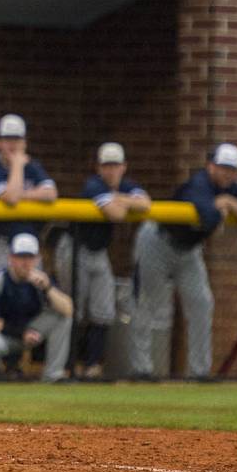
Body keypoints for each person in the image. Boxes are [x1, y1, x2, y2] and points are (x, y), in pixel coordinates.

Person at [130, 143, 237, 381]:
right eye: (223, 168)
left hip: (189, 251)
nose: (227, 173)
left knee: (202, 303)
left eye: (232, 169)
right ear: (210, 166)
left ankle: (199, 371)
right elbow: (209, 217)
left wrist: (229, 202)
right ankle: (142, 368)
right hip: (158, 242)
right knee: (149, 304)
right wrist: (223, 204)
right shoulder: (198, 183)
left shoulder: (231, 190)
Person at [59, 142, 150, 379]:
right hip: (75, 248)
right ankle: (67, 366)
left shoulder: (125, 186)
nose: (111, 171)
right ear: (98, 168)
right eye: (106, 166)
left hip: (98, 252)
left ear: (124, 167)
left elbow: (146, 203)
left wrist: (120, 197)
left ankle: (92, 366)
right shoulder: (94, 185)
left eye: (115, 165)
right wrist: (124, 200)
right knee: (73, 309)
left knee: (104, 309)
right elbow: (117, 214)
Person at [0, 232, 74, 382]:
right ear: (11, 258)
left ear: (37, 259)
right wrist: (22, 333)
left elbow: (69, 310)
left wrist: (48, 288)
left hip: (31, 331)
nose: (26, 263)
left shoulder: (41, 280)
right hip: (3, 334)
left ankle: (53, 375)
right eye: (21, 257)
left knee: (62, 318)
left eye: (30, 257)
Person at [0, 114, 58, 281]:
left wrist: (22, 195)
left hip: (26, 247)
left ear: (24, 143)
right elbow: (11, 198)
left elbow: (51, 193)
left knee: (30, 297)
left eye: (17, 140)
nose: (13, 145)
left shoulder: (32, 166)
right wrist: (17, 165)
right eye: (7, 139)